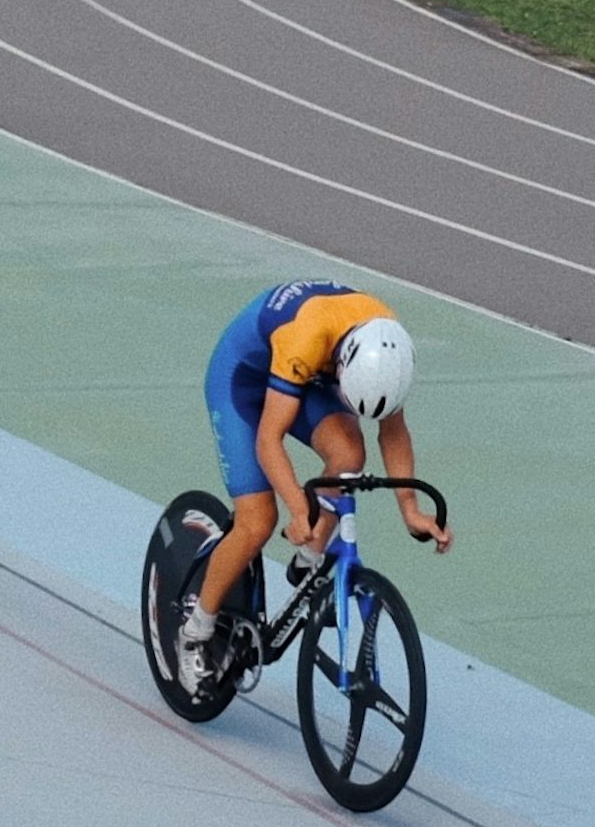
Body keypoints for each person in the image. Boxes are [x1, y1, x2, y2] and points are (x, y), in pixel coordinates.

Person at [182, 279, 449, 693]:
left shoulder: (387, 350)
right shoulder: (305, 336)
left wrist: (409, 509)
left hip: (311, 376)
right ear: (344, 367)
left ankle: (310, 555)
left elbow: (392, 432)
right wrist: (297, 509)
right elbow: (269, 440)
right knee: (257, 521)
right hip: (243, 380)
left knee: (347, 455)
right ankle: (195, 630)